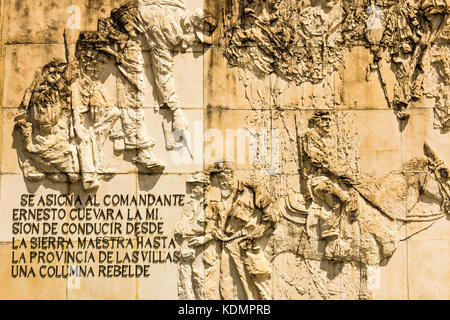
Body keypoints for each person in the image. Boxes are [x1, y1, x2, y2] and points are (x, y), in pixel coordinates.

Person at [209, 161, 278, 300]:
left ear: (231, 175)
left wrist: (259, 231)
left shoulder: (251, 191)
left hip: (246, 243)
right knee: (225, 284)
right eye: (218, 178)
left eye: (223, 176)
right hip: (227, 244)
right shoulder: (216, 198)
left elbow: (272, 216)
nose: (221, 181)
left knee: (252, 284)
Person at [174, 173, 211, 300]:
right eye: (193, 186)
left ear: (204, 188)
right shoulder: (189, 203)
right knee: (184, 275)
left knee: (199, 276)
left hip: (202, 245)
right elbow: (184, 219)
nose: (193, 189)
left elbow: (217, 228)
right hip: (186, 242)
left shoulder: (210, 205)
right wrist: (180, 230)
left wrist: (204, 239)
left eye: (196, 186)